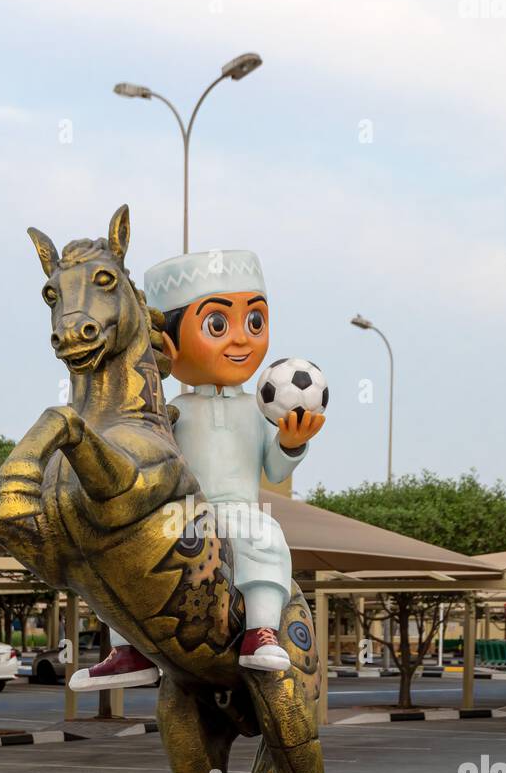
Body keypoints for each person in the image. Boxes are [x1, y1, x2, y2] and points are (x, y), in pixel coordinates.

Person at [69, 248, 324, 689]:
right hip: (184, 514)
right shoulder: (172, 411)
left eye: (255, 322)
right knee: (117, 549)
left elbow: (276, 471)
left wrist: (290, 442)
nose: (241, 339)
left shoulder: (256, 410)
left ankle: (260, 632)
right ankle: (127, 650)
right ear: (168, 343)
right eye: (218, 325)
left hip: (239, 511)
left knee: (265, 536)